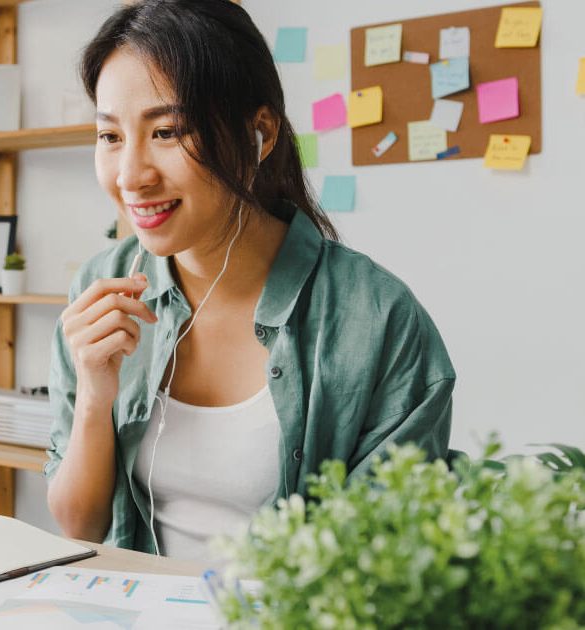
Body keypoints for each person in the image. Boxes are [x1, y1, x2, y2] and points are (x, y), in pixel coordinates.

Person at [44, 0, 456, 560]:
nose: (130, 176)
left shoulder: (377, 317)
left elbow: (385, 565)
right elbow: (79, 527)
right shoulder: (102, 286)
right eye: (110, 136)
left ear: (258, 133)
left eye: (166, 132)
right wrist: (94, 395)